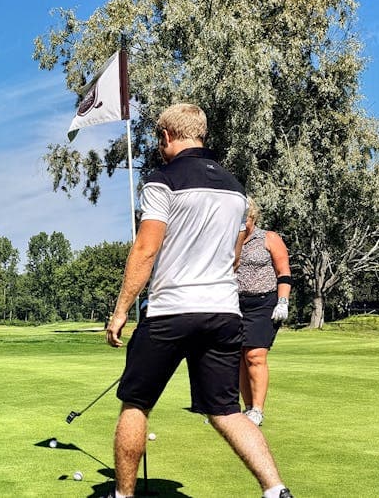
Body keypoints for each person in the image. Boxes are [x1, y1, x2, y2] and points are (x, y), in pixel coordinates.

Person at [105, 105, 290, 498]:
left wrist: (121, 309)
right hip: (224, 311)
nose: (159, 144)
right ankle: (276, 490)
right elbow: (236, 257)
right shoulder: (236, 189)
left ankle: (123, 496)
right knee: (226, 411)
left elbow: (145, 249)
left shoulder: (161, 181)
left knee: (135, 403)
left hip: (172, 310)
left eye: (159, 137)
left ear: (169, 135)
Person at [237, 198, 292, 427]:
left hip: (264, 303)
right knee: (239, 357)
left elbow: (284, 272)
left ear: (253, 217)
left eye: (245, 218)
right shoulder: (231, 241)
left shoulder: (269, 238)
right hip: (235, 303)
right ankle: (247, 408)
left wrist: (283, 301)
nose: (242, 223)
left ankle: (258, 410)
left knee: (255, 355)